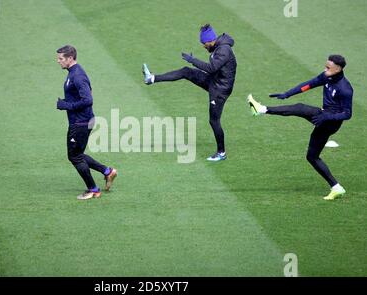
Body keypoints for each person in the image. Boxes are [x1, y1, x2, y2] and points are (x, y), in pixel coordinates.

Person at [247, 55, 353, 200]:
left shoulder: (345, 89)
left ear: (338, 69)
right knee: (312, 156)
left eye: (328, 67)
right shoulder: (327, 77)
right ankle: (336, 187)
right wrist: (287, 94)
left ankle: (262, 109)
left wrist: (326, 117)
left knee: (300, 109)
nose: (324, 69)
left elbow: (347, 114)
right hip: (322, 117)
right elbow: (309, 84)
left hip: (329, 123)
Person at [142, 24, 237, 161]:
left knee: (214, 121)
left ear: (211, 41)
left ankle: (221, 153)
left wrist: (193, 60)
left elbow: (211, 68)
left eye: (204, 44)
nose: (204, 46)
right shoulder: (219, 47)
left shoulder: (224, 50)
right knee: (186, 72)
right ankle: (151, 78)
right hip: (214, 82)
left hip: (220, 90)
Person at [56, 45, 117, 200]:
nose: (58, 61)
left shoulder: (77, 75)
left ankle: (93, 189)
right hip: (81, 120)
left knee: (75, 157)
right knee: (77, 154)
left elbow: (88, 100)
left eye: (61, 58)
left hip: (80, 123)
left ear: (70, 58)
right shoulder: (74, 73)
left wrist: (66, 105)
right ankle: (107, 172)